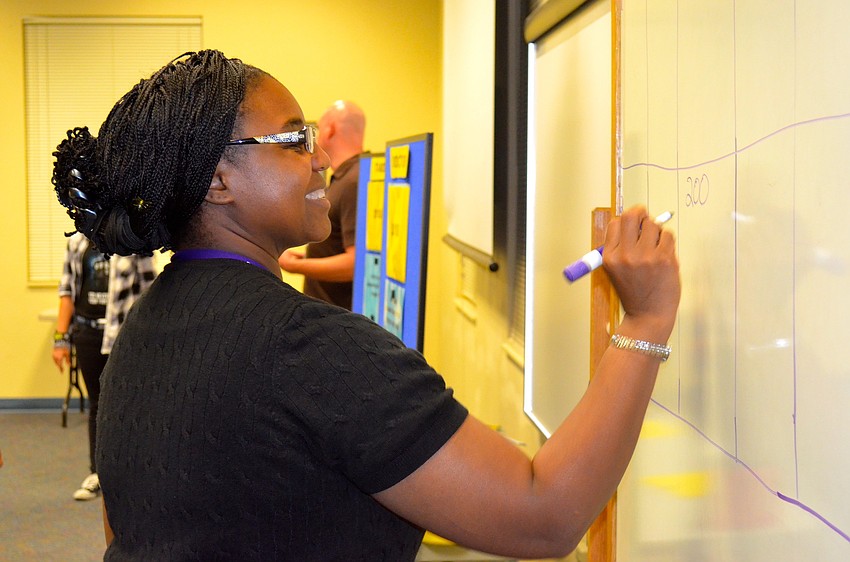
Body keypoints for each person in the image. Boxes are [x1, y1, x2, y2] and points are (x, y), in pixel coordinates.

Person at [51, 50, 680, 560]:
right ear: (218, 181)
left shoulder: (145, 326)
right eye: (295, 140)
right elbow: (543, 517)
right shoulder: (312, 349)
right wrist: (645, 321)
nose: (323, 156)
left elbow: (124, 527)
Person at [50, 230, 157, 501]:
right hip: (87, 333)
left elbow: (150, 289)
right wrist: (61, 339)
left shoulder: (133, 240)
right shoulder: (76, 243)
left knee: (130, 403)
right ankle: (97, 473)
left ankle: (134, 471)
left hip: (124, 336)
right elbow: (67, 291)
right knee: (97, 404)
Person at [278, 100, 365, 309]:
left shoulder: (354, 181)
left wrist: (297, 266)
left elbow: (356, 263)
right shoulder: (347, 177)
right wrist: (309, 255)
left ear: (330, 128)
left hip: (340, 315)